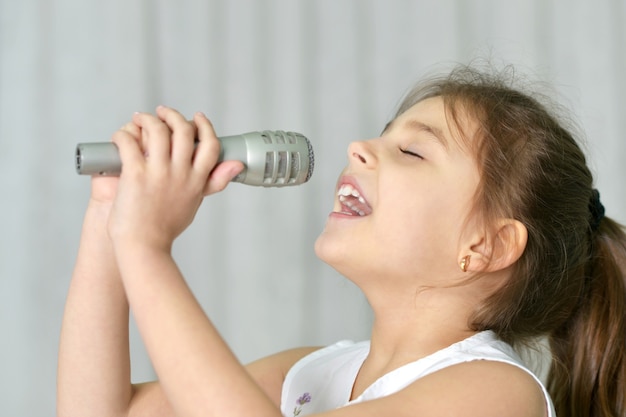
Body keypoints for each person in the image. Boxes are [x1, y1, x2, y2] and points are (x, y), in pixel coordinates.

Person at [57, 64, 626, 417]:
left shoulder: (494, 392)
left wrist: (147, 248)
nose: (359, 147)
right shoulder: (311, 374)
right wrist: (109, 219)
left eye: (411, 151)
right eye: (382, 137)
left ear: (487, 246)